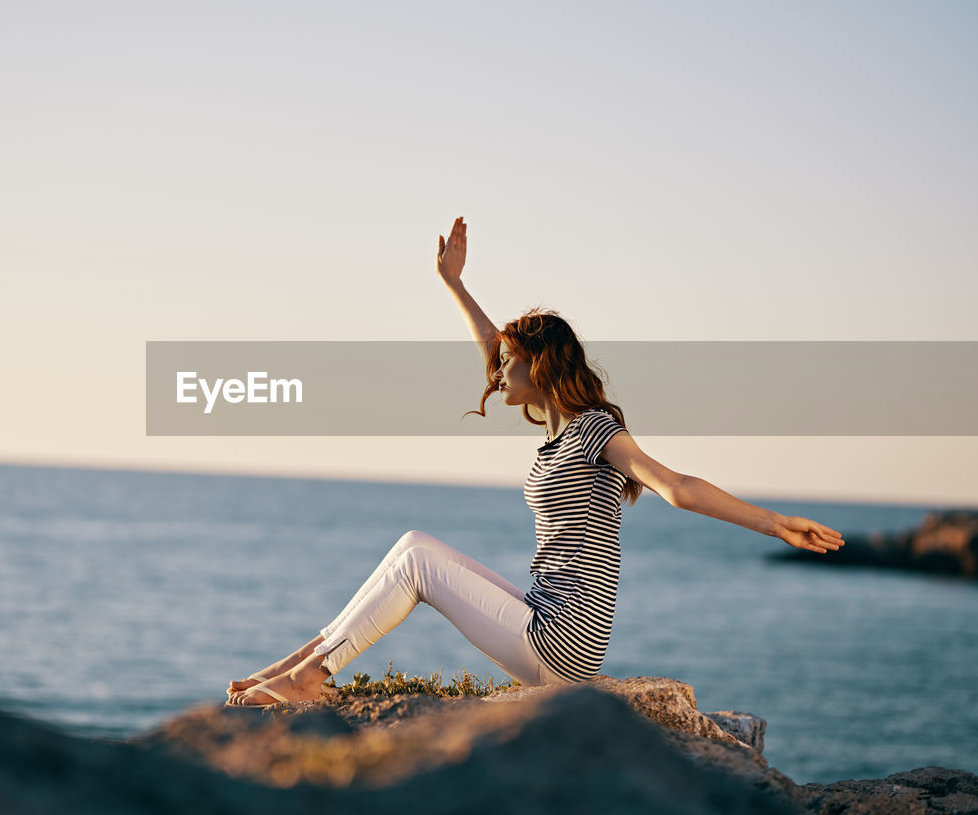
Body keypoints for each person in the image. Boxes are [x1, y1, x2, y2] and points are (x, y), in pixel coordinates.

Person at [225, 216, 845, 707]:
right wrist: (456, 284)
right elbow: (495, 348)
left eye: (513, 360)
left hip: (562, 644)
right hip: (543, 613)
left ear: (541, 366)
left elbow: (676, 485)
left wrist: (775, 523)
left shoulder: (596, 430)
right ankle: (285, 673)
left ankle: (311, 678)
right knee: (412, 543)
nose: (499, 370)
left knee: (416, 562)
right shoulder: (556, 432)